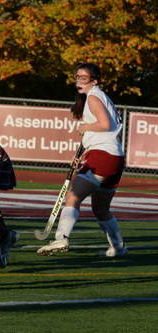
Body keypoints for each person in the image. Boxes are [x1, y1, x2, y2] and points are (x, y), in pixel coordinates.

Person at [37, 63, 127, 257]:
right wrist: (82, 154)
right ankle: (118, 247)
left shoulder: (94, 97)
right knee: (101, 208)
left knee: (73, 197)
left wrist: (85, 127)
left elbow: (104, 124)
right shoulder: (101, 97)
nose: (79, 81)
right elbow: (105, 131)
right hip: (114, 157)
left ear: (94, 80)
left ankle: (61, 238)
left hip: (103, 155)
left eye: (83, 78)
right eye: (77, 77)